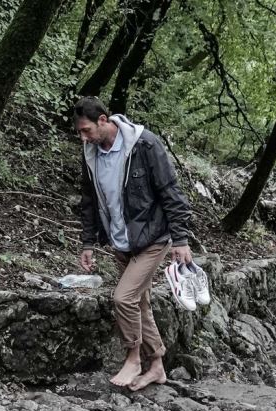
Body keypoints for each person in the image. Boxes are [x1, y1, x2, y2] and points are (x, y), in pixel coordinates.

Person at [73, 97, 192, 391]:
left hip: (153, 237)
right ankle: (157, 366)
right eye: (80, 132)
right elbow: (89, 201)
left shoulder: (144, 144)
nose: (83, 138)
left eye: (87, 130)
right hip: (121, 241)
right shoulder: (91, 154)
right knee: (140, 302)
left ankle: (133, 358)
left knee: (123, 298)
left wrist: (180, 239)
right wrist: (88, 242)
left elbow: (170, 191)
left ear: (103, 120)